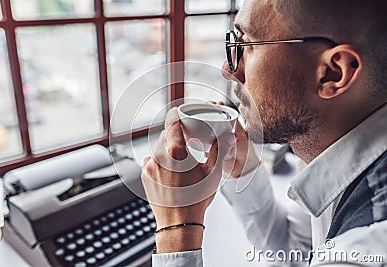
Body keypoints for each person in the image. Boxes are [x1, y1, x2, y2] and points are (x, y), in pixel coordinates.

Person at [141, 0, 387, 266]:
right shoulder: (333, 150)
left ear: (332, 73)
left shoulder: (365, 250)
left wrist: (177, 230)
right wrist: (243, 170)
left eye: (247, 44)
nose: (229, 70)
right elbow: (296, 253)